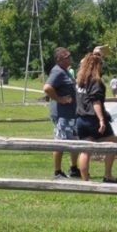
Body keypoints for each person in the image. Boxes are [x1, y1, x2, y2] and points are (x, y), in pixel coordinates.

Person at [75, 51, 117, 183]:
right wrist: (101, 119)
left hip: (80, 120)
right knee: (112, 143)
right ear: (96, 66)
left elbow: (83, 61)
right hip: (93, 119)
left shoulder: (80, 81)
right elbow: (96, 102)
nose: (102, 66)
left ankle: (85, 181)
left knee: (85, 150)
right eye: (101, 64)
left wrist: (91, 57)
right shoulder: (96, 82)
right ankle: (108, 175)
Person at [43, 47, 80, 179]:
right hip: (62, 115)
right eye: (67, 57)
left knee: (75, 142)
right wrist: (59, 99)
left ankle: (74, 169)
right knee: (60, 142)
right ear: (59, 59)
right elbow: (47, 87)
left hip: (71, 114)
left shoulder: (65, 71)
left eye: (70, 56)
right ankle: (57, 172)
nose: (70, 58)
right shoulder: (57, 71)